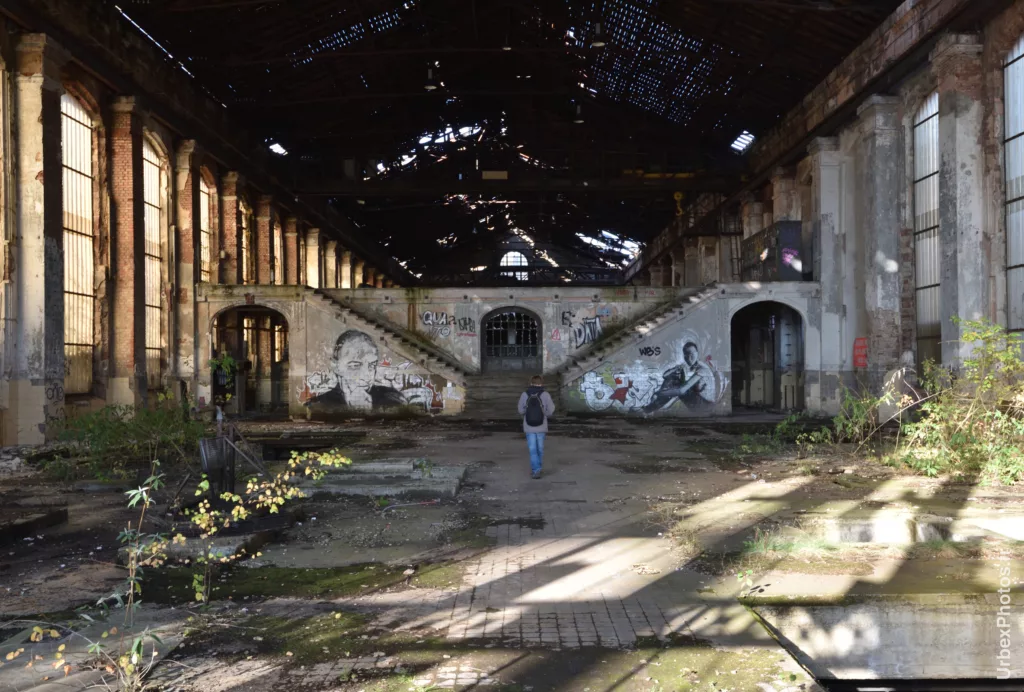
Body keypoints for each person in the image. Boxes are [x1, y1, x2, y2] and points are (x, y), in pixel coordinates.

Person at [307, 330, 407, 411]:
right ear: (336, 367)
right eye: (355, 366)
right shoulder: (316, 407)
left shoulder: (392, 399)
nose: (367, 376)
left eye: (372, 365)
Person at [643, 341, 718, 413]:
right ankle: (650, 407)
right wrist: (676, 369)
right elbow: (665, 376)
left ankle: (650, 408)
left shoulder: (703, 369)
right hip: (701, 403)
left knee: (677, 385)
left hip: (705, 405)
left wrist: (659, 393)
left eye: (692, 354)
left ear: (697, 353)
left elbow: (681, 391)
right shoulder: (692, 367)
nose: (689, 358)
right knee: (674, 380)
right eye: (686, 355)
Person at [517, 375, 555, 479]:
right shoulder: (545, 394)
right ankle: (538, 467)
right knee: (540, 448)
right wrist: (544, 413)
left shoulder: (524, 394)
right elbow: (550, 411)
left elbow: (520, 410)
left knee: (532, 449)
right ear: (541, 383)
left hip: (529, 426)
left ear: (531, 383)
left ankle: (536, 470)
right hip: (541, 425)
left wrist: (528, 411)